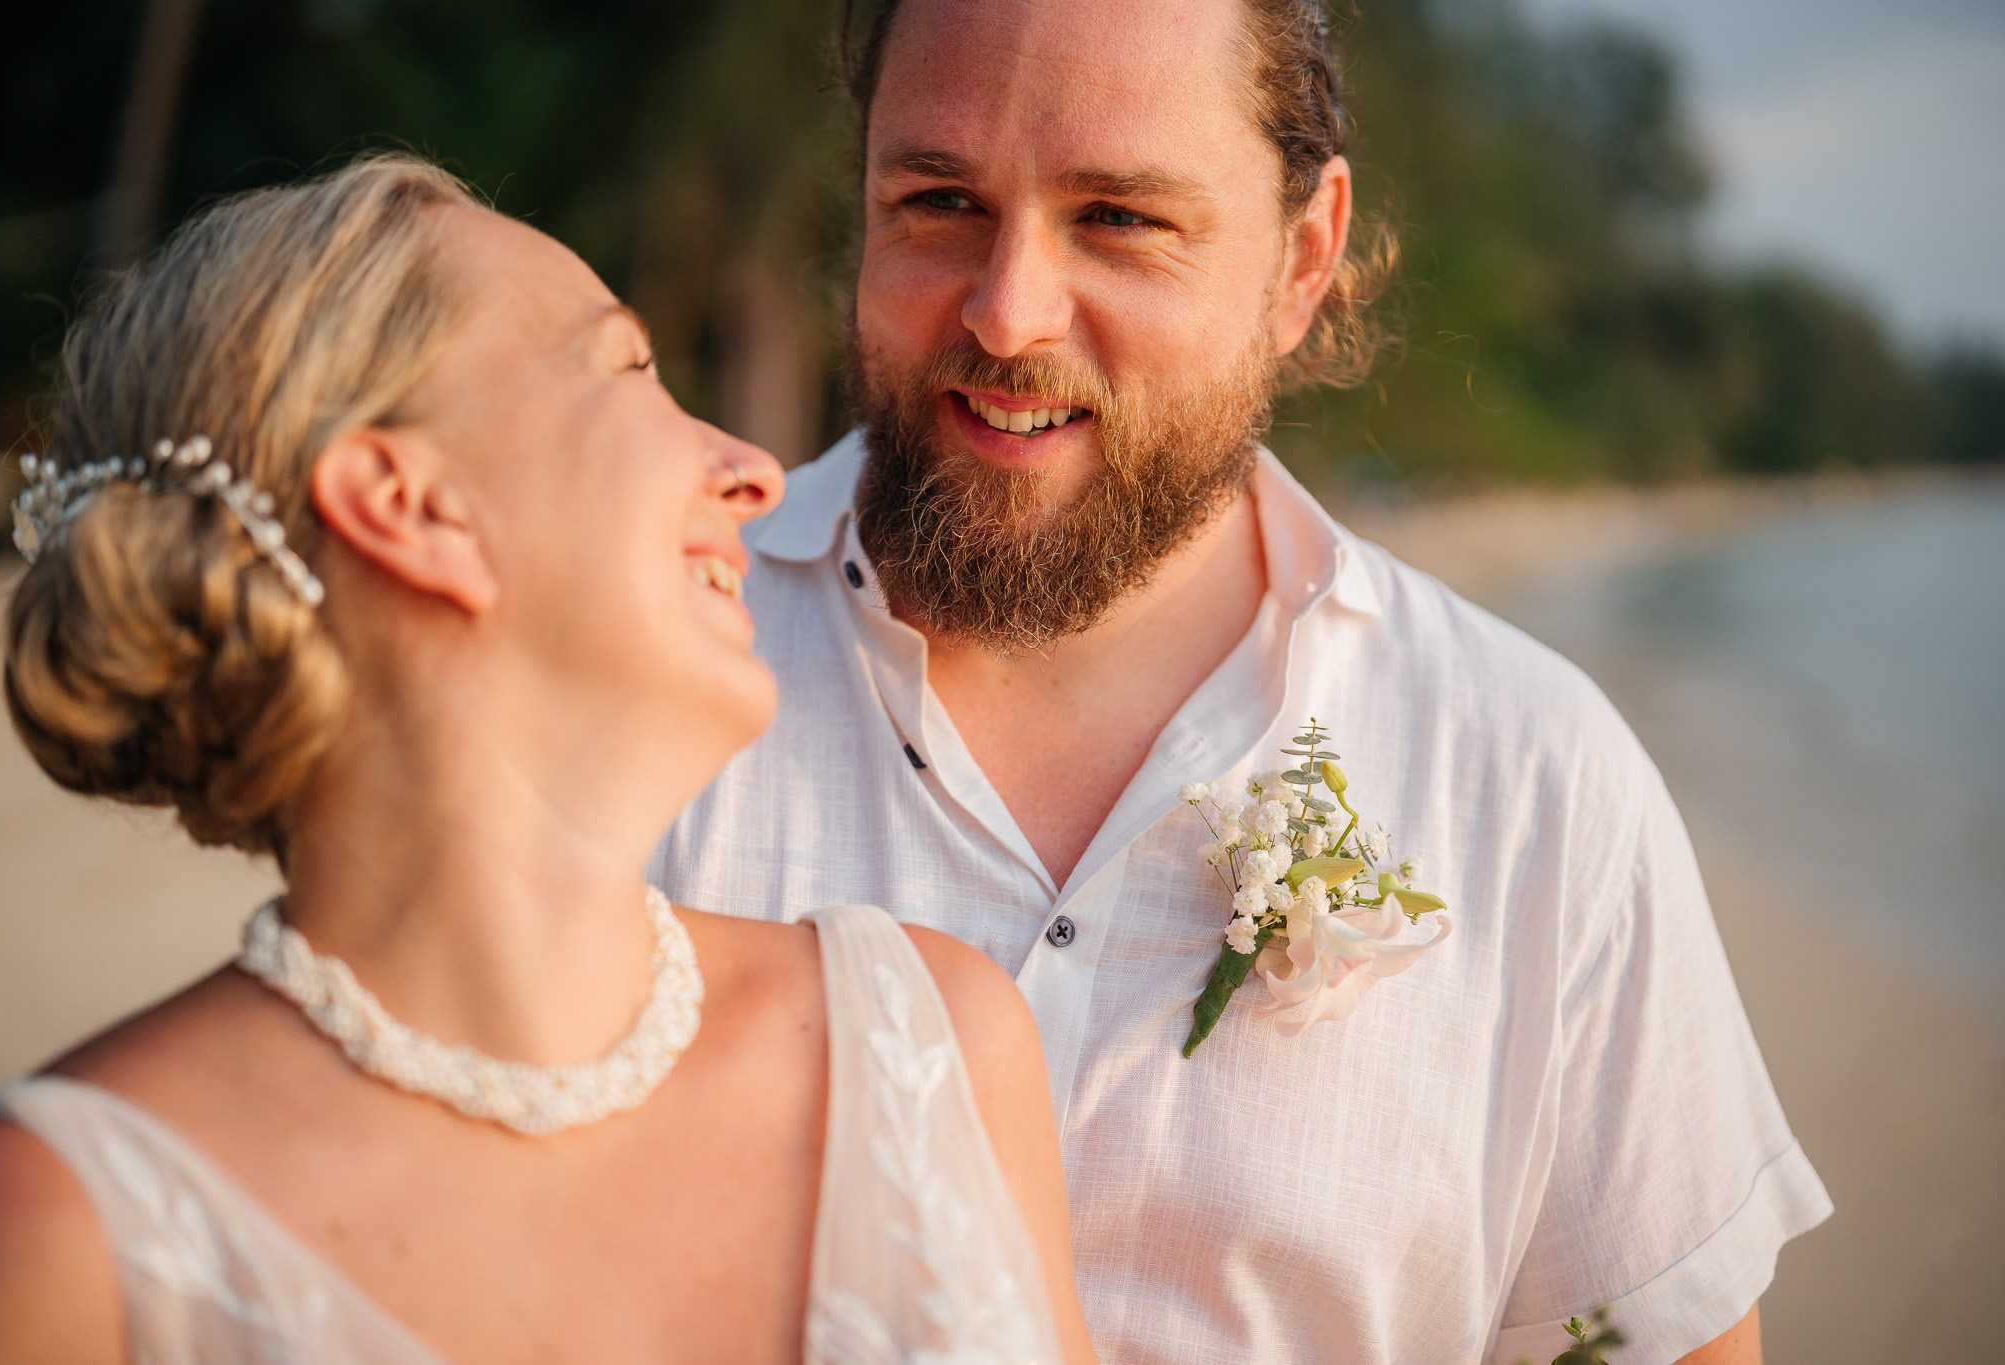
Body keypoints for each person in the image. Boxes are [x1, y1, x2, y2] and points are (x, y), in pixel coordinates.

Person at [653, 0, 1832, 1361]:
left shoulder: (1533, 780)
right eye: (937, 200)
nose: (1007, 310)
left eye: (1118, 219)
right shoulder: (630, 653)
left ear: (1301, 258)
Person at [0, 154, 1097, 1365]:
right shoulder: (49, 1236)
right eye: (627, 369)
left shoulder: (936, 1047)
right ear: (410, 505)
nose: (753, 475)